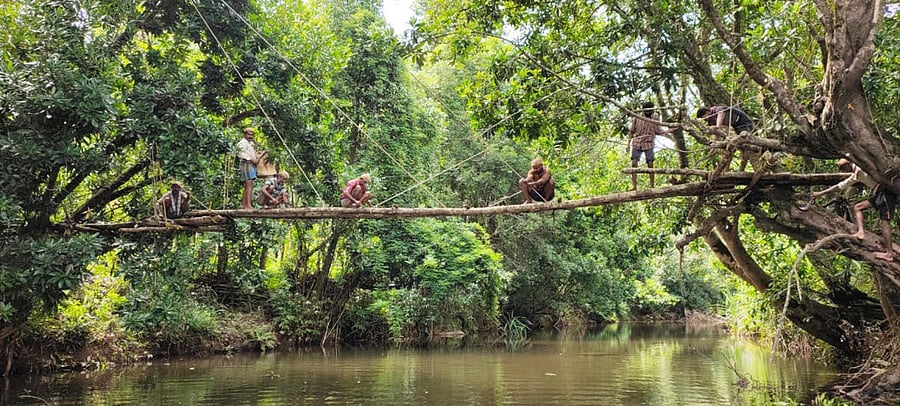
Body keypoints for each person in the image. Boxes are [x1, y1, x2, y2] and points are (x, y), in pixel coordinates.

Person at [811, 158, 897, 261]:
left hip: (885, 192)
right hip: (877, 193)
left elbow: (840, 185)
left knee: (885, 223)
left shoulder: (861, 169)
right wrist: (820, 194)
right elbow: (839, 186)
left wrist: (820, 194)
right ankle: (861, 232)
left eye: (844, 169)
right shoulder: (857, 174)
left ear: (848, 165)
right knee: (857, 207)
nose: (845, 172)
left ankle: (889, 254)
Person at [627, 102, 678, 190]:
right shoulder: (637, 117)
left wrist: (669, 130)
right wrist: (628, 144)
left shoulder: (655, 117)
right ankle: (634, 186)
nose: (648, 113)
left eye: (650, 111)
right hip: (637, 141)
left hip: (649, 142)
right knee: (634, 163)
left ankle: (652, 186)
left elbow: (658, 130)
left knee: (650, 163)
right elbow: (632, 131)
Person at [237, 127, 265, 209]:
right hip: (247, 163)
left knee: (248, 185)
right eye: (249, 134)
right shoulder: (242, 143)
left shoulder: (249, 144)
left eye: (252, 135)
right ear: (245, 134)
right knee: (249, 184)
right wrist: (252, 159)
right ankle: (248, 205)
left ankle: (244, 204)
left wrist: (259, 155)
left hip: (251, 165)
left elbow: (252, 154)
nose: (250, 136)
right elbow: (241, 154)